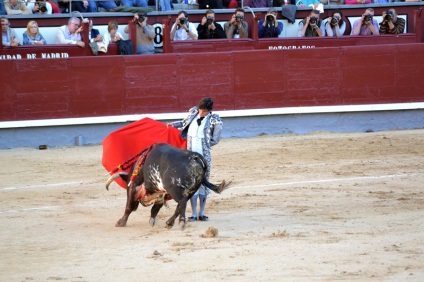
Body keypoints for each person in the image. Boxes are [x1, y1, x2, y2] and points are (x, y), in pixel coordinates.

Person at [168, 97, 223, 222]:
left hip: (204, 156)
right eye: (200, 110)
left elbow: (216, 139)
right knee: (192, 183)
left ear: (209, 111)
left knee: (204, 182)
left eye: (204, 111)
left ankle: (201, 213)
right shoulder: (193, 112)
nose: (201, 113)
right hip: (190, 155)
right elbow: (183, 123)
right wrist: (173, 125)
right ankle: (193, 214)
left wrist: (205, 144)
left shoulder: (215, 120)